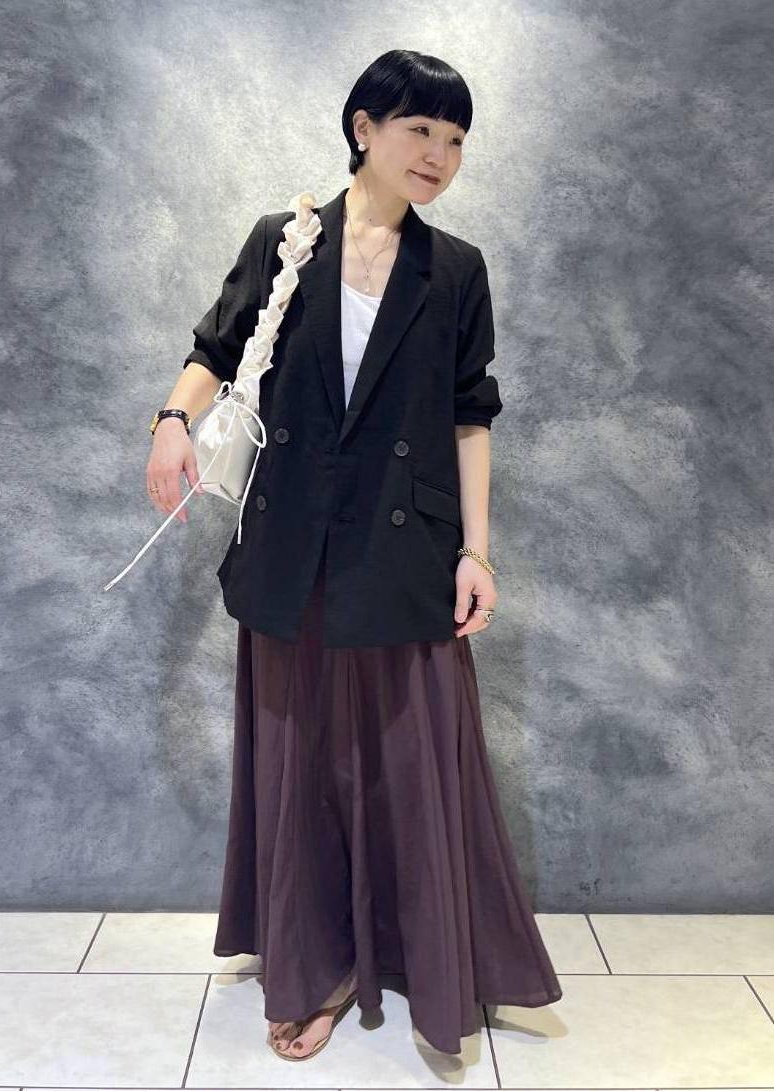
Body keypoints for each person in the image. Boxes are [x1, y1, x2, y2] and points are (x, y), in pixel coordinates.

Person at [146, 49, 562, 1060]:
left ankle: (431, 959)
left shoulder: (454, 269)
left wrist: (476, 552)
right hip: (291, 537)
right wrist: (170, 421)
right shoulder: (285, 241)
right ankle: (317, 964)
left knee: (412, 761)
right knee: (300, 762)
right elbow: (215, 346)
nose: (439, 155)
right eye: (421, 129)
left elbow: (469, 415)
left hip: (405, 544)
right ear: (363, 128)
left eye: (456, 139)